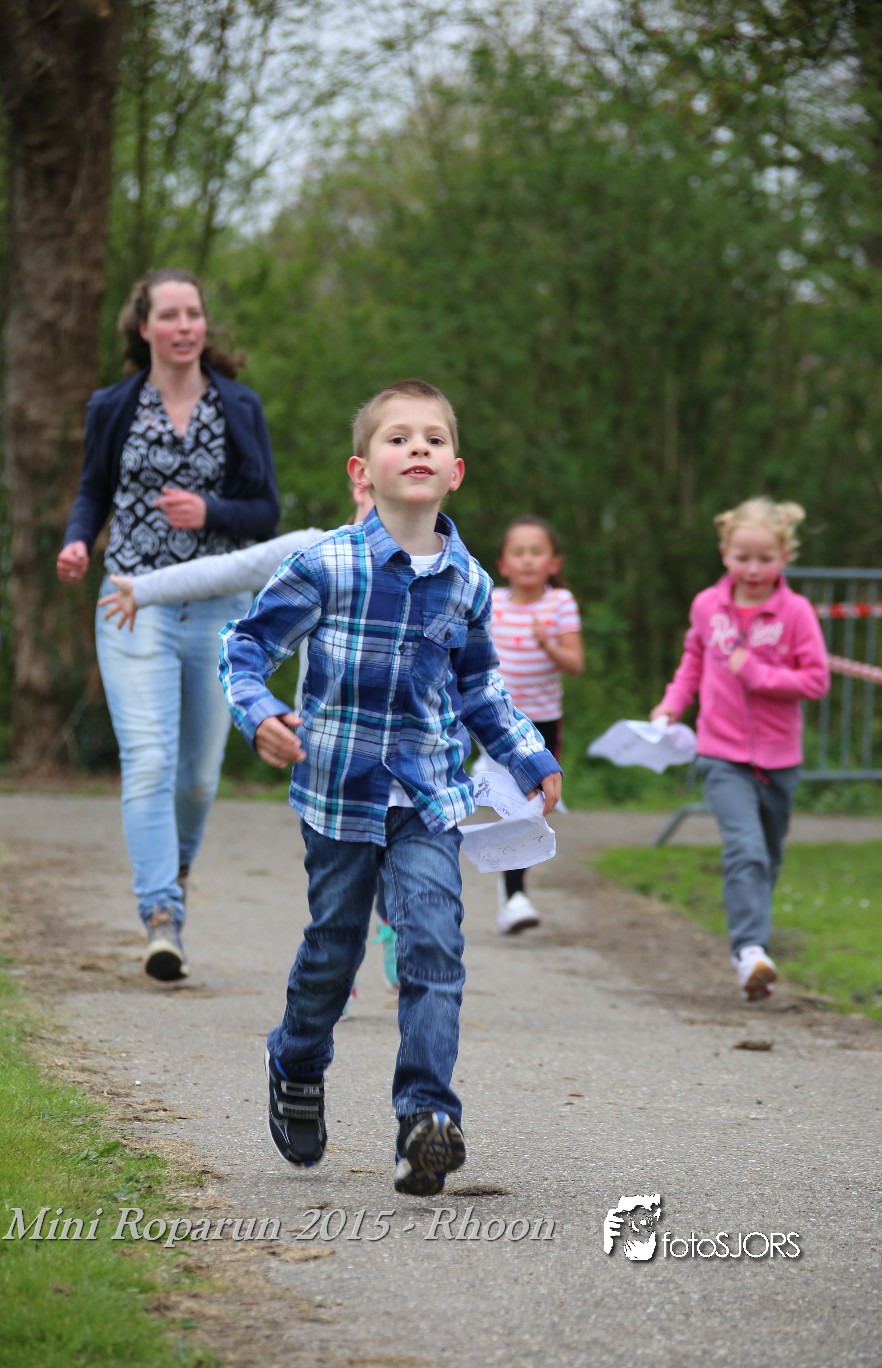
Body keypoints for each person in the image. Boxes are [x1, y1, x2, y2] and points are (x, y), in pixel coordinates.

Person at [218, 378, 562, 1193]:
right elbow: (243, 648)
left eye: (433, 439)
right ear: (362, 469)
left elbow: (480, 690)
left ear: (456, 471)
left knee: (434, 946)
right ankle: (296, 1060)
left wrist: (529, 758)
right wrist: (261, 715)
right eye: (398, 437)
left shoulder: (468, 582)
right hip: (338, 795)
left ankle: (426, 1119)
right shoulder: (326, 565)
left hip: (430, 800)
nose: (417, 448)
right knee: (334, 951)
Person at [57, 267, 280, 982]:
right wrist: (78, 541)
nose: (184, 326)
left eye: (194, 314)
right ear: (144, 326)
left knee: (199, 780)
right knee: (149, 760)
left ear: (204, 325)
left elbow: (266, 513)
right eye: (170, 315)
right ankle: (160, 913)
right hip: (133, 601)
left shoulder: (238, 406)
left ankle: (173, 871)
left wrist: (210, 511)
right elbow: (93, 491)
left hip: (218, 606)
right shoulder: (113, 405)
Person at [97, 485, 400, 997]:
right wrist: (144, 589)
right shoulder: (313, 549)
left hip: (407, 749)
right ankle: (336, 963)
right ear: (358, 479)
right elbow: (227, 570)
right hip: (329, 751)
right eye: (380, 490)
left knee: (403, 852)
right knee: (342, 869)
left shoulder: (436, 564)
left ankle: (397, 926)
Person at [651, 498, 829, 1000]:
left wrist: (757, 674)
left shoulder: (795, 612)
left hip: (780, 760)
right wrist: (671, 705)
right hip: (722, 753)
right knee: (745, 850)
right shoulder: (708, 606)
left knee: (767, 858)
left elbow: (816, 680)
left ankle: (754, 951)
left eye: (765, 559)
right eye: (742, 557)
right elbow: (693, 661)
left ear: (784, 557)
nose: (753, 569)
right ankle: (750, 951)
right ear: (724, 552)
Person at [488, 516, 583, 933]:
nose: (527, 560)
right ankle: (514, 895)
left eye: (536, 552)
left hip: (542, 725)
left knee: (532, 807)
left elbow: (575, 664)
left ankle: (511, 892)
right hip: (496, 723)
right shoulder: (491, 601)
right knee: (515, 803)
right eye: (518, 552)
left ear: (554, 563)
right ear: (503, 564)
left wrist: (548, 644)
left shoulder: (560, 603)